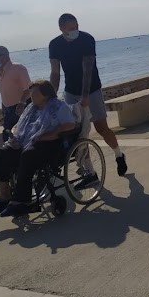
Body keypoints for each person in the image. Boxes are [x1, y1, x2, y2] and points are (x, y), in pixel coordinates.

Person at [49, 13, 127, 177]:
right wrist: (51, 97)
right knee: (77, 134)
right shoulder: (55, 44)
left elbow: (88, 69)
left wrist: (85, 96)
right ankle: (90, 171)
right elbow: (55, 73)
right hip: (70, 92)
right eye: (71, 28)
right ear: (61, 29)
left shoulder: (87, 39)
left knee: (101, 128)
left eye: (76, 26)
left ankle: (119, 154)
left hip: (92, 90)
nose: (75, 30)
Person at [0, 80, 77, 217]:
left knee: (28, 156)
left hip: (49, 144)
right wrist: (14, 136)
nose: (31, 96)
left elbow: (70, 125)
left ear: (45, 94)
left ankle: (22, 201)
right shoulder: (30, 108)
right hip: (25, 142)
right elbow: (18, 125)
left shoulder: (59, 107)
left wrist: (52, 133)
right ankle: (4, 197)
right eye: (31, 93)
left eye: (34, 94)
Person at [0, 46, 31, 142]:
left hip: (20, 107)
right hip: (7, 109)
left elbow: (28, 88)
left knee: (22, 135)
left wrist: (21, 103)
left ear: (5, 56)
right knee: (7, 136)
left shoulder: (18, 68)